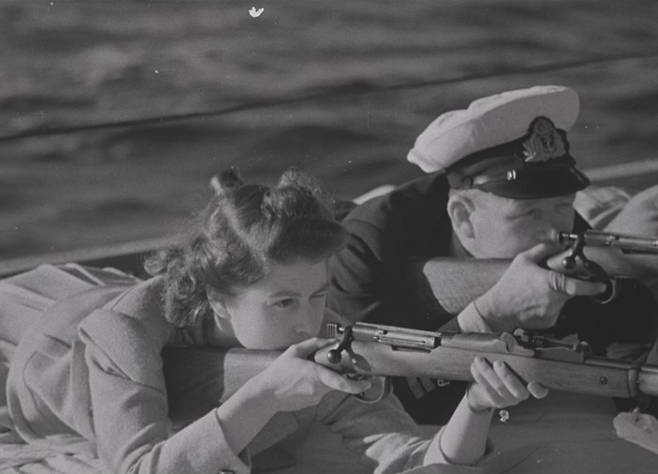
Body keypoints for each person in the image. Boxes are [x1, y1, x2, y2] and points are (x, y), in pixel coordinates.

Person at [0, 168, 546, 474]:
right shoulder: (122, 336)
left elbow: (406, 456)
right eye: (283, 302)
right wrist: (264, 396)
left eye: (319, 294)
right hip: (42, 335)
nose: (309, 321)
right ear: (219, 300)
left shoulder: (317, 332)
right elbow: (140, 468)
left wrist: (476, 406)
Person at [327, 85, 658, 424]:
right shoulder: (364, 249)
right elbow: (378, 397)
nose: (554, 232)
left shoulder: (568, 232)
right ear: (463, 217)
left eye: (563, 205)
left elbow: (623, 326)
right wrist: (491, 316)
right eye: (528, 213)